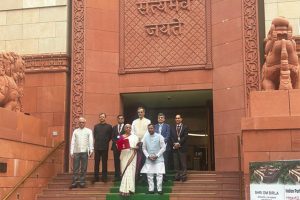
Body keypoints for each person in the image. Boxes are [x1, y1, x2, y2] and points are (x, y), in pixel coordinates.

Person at [141, 124, 166, 195]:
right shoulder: (145, 137)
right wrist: (148, 156)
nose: (150, 130)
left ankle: (159, 189)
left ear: (154, 129)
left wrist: (157, 155)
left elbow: (163, 147)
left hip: (159, 159)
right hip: (149, 159)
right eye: (149, 128)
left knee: (159, 174)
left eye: (151, 128)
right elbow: (143, 148)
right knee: (149, 175)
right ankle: (151, 189)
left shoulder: (160, 136)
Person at [70, 117, 94, 188]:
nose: (81, 123)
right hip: (76, 152)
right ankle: (74, 183)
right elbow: (72, 142)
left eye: (83, 122)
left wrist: (91, 150)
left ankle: (82, 182)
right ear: (78, 123)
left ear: (85, 123)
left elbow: (90, 141)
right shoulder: (75, 131)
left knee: (83, 168)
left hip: (85, 152)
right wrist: (71, 151)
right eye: (80, 122)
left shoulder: (88, 131)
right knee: (75, 168)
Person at [131, 107, 151, 181]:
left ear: (144, 113)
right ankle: (137, 176)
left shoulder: (148, 121)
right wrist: (137, 140)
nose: (140, 113)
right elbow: (132, 131)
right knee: (137, 160)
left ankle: (144, 177)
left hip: (145, 143)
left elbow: (147, 132)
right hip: (136, 143)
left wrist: (142, 140)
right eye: (139, 112)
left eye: (141, 112)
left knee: (145, 160)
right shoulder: (134, 121)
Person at [119, 124, 139, 196]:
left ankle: (131, 189)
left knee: (131, 171)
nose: (128, 128)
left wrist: (135, 147)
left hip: (132, 155)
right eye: (126, 127)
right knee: (125, 171)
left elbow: (137, 146)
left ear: (131, 129)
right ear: (124, 129)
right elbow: (119, 146)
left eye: (129, 127)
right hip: (124, 155)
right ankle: (123, 189)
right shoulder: (121, 137)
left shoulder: (135, 137)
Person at [93, 113, 112, 182]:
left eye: (103, 117)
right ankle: (96, 178)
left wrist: (106, 141)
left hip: (105, 147)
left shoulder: (109, 126)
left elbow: (110, 137)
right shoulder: (96, 126)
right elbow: (95, 136)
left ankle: (104, 178)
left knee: (104, 163)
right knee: (96, 163)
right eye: (100, 117)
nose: (101, 118)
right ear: (99, 118)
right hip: (97, 147)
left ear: (105, 118)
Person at [170, 114, 189, 182]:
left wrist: (179, 143)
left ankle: (183, 176)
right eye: (176, 118)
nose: (177, 119)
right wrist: (174, 144)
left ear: (181, 119)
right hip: (175, 148)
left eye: (179, 118)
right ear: (175, 119)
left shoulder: (185, 127)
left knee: (183, 163)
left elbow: (185, 136)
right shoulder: (172, 127)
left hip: (182, 147)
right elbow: (171, 137)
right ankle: (177, 176)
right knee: (176, 163)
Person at [154, 113, 170, 180]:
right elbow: (153, 136)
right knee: (157, 161)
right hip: (156, 147)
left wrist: (162, 143)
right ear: (157, 119)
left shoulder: (167, 126)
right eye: (159, 117)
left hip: (164, 147)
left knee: (164, 161)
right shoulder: (155, 126)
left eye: (162, 117)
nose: (160, 118)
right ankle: (157, 175)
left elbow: (168, 136)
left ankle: (164, 176)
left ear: (164, 119)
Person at [111, 115, 125, 182]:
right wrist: (116, 143)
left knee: (123, 161)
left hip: (123, 147)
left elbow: (127, 136)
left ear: (123, 119)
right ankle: (117, 176)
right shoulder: (114, 127)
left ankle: (123, 176)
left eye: (121, 118)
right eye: (119, 118)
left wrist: (121, 143)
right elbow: (112, 137)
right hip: (115, 147)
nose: (120, 119)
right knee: (116, 162)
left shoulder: (126, 127)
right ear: (117, 119)